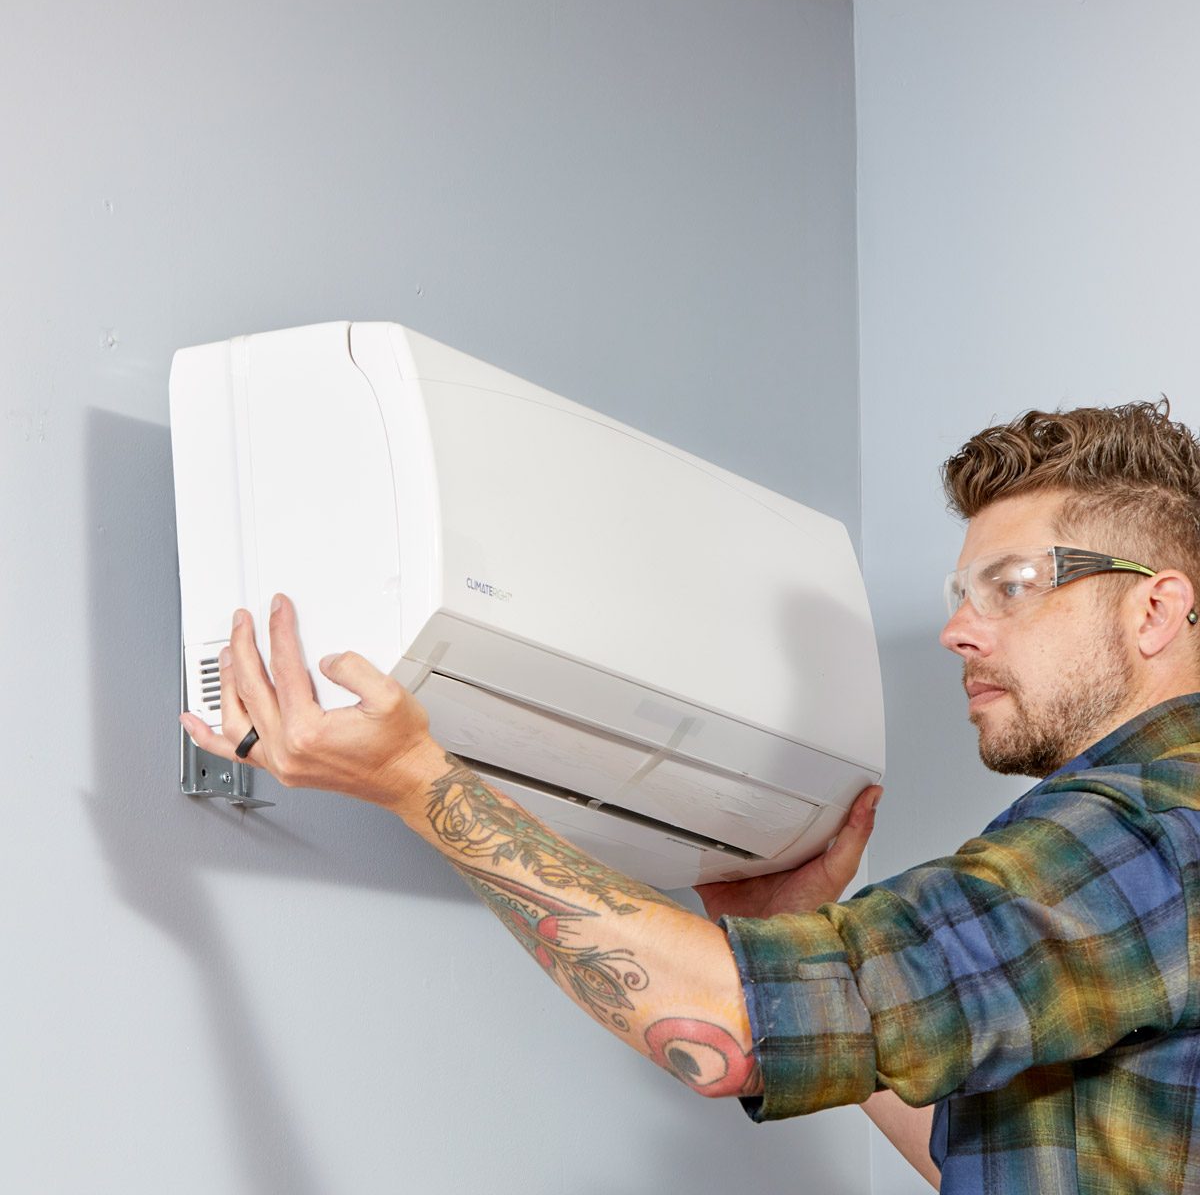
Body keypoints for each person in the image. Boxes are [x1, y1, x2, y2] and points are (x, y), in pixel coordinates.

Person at [181, 401, 1200, 1193]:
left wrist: (418, 783)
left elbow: (726, 1027)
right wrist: (802, 919)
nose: (959, 633)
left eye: (1012, 585)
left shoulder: (1148, 831)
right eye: (959, 595)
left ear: (1157, 608)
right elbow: (983, 1159)